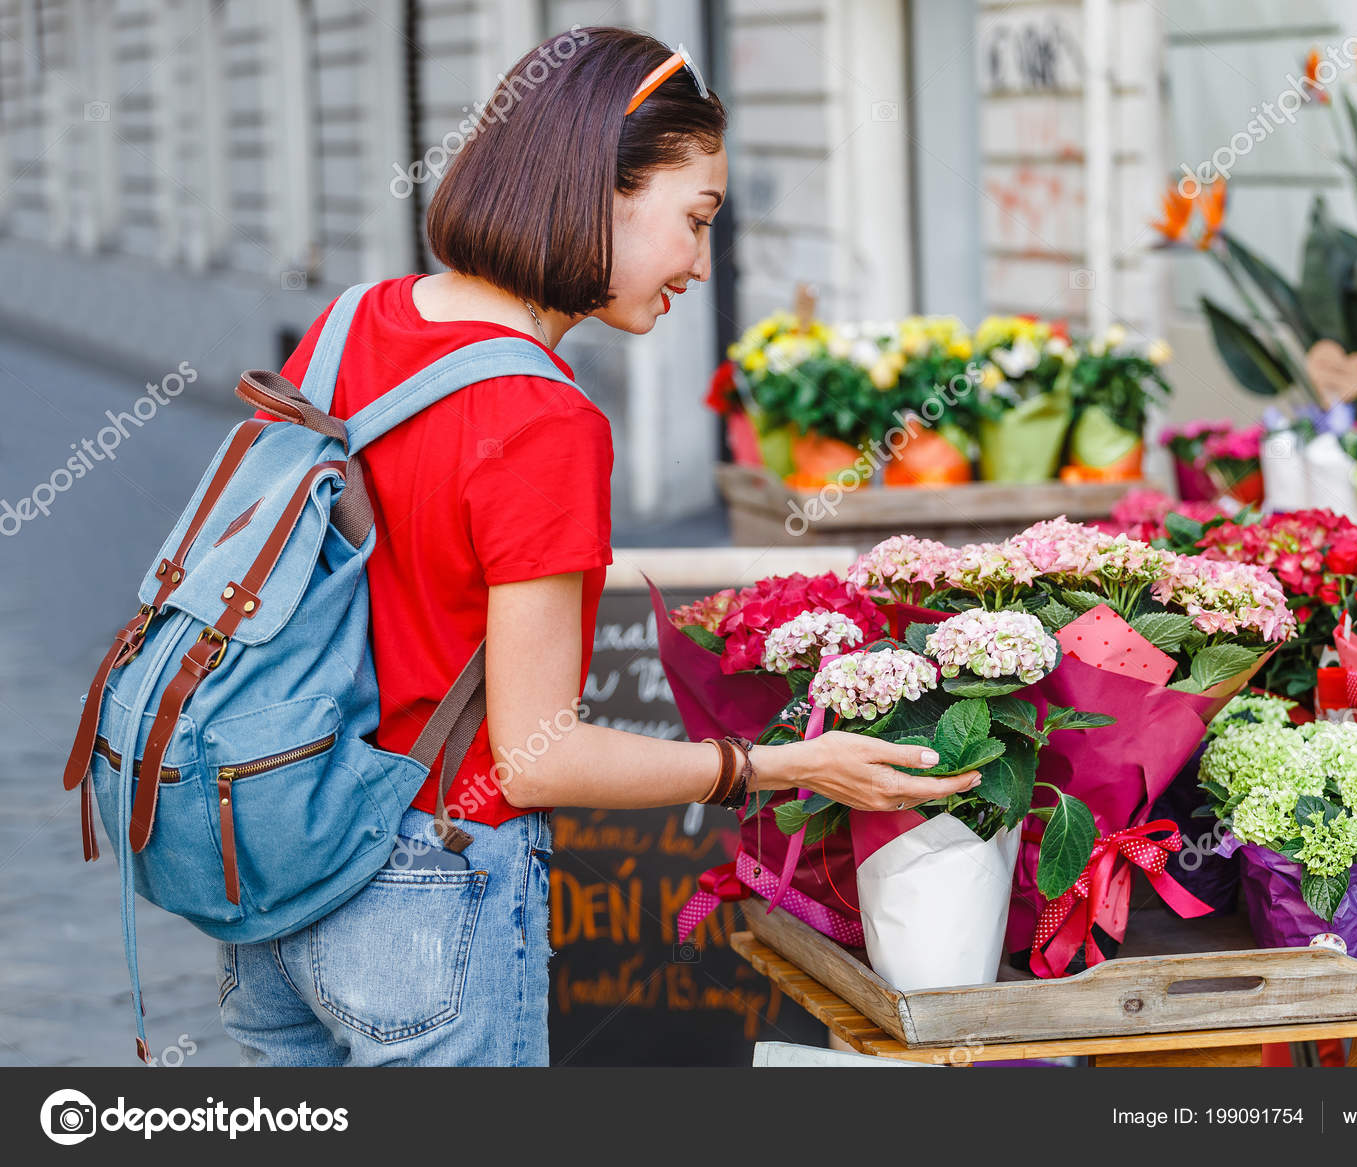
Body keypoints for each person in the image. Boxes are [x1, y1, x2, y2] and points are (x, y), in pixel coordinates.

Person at [220, 26, 980, 1067]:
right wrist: (782, 764)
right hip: (421, 890)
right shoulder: (542, 419)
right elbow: (535, 759)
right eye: (694, 219)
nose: (700, 266)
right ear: (598, 192)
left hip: (273, 862)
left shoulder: (353, 323)